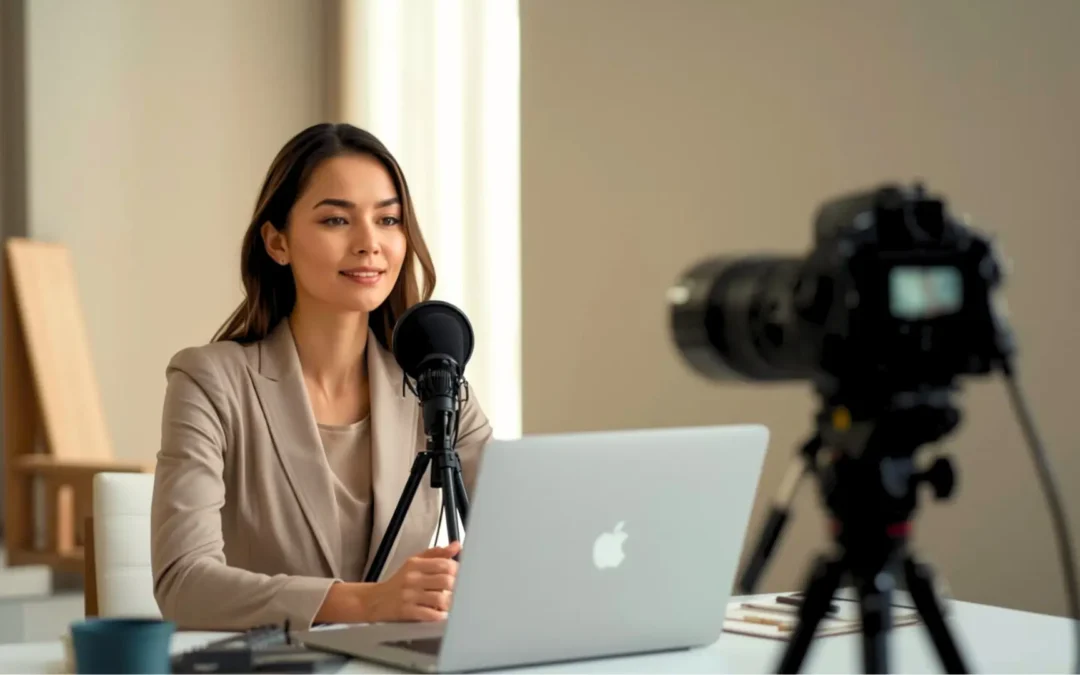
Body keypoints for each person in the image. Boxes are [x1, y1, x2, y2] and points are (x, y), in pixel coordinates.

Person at [150, 123, 493, 631]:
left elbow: (524, 527)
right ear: (277, 242)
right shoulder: (209, 382)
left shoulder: (434, 386)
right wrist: (367, 602)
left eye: (388, 219)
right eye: (336, 219)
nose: (369, 243)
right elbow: (184, 584)